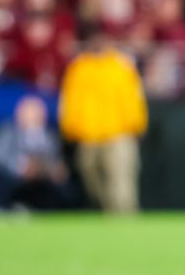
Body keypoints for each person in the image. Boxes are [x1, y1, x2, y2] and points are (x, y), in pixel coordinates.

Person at [59, 29, 148, 214]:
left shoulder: (121, 67)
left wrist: (136, 126)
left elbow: (134, 99)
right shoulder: (78, 68)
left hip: (119, 134)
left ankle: (125, 221)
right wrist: (71, 129)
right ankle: (106, 216)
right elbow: (70, 102)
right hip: (88, 135)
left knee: (121, 183)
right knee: (92, 181)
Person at [0, 95, 71, 211]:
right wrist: (21, 166)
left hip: (40, 176)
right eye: (31, 114)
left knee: (62, 182)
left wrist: (52, 169)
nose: (35, 117)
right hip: (13, 174)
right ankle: (0, 208)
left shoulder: (49, 135)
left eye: (38, 114)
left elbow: (54, 157)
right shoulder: (8, 130)